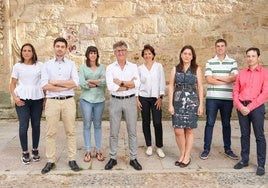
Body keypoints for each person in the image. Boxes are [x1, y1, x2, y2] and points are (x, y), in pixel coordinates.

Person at [40, 37, 80, 174]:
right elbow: (44, 85)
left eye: (62, 46)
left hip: (68, 101)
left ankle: (72, 159)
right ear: (54, 47)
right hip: (52, 101)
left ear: (66, 49)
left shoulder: (71, 64)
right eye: (57, 46)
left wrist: (55, 82)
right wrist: (65, 85)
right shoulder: (47, 65)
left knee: (71, 131)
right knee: (50, 132)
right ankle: (50, 160)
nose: (60, 48)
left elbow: (75, 83)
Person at [105, 40, 142, 170]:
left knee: (132, 131)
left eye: (123, 50)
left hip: (130, 100)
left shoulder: (133, 67)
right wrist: (128, 85)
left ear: (126, 52)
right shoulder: (110, 68)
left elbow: (137, 84)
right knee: (113, 131)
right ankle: (113, 158)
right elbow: (111, 86)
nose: (121, 53)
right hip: (115, 101)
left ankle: (133, 158)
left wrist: (120, 83)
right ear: (115, 53)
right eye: (118, 51)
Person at [200, 39, 239, 160]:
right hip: (212, 98)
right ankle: (206, 149)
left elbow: (234, 78)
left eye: (222, 46)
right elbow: (209, 80)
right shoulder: (210, 62)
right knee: (210, 123)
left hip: (227, 99)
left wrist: (217, 77)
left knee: (226, 124)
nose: (220, 48)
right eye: (218, 46)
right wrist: (226, 79)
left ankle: (228, 149)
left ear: (226, 47)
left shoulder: (232, 62)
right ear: (215, 48)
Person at [233, 47, 268, 176]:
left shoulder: (265, 73)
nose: (250, 58)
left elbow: (265, 93)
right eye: (248, 56)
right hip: (242, 106)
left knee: (259, 135)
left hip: (256, 107)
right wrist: (239, 105)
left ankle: (261, 164)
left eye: (253, 56)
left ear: (258, 57)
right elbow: (236, 91)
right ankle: (244, 160)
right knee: (244, 134)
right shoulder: (241, 73)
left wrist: (250, 107)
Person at [168, 45, 203, 167]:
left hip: (192, 102)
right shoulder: (175, 69)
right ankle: (182, 153)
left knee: (189, 130)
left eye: (189, 54)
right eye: (185, 53)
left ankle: (187, 156)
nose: (187, 56)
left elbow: (200, 87)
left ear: (192, 56)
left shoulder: (196, 69)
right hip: (178, 102)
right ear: (181, 55)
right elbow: (171, 86)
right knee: (178, 130)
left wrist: (201, 105)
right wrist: (170, 104)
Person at [10, 43, 44, 165]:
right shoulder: (17, 66)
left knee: (36, 125)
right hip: (22, 99)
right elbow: (12, 84)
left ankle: (35, 149)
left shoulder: (40, 65)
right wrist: (15, 98)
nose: (26, 52)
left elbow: (44, 82)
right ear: (22, 52)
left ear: (33, 52)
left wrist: (44, 99)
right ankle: (25, 152)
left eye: (29, 50)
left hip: (37, 99)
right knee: (24, 126)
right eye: (24, 50)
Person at [136, 44, 166, 158]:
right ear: (143, 56)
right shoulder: (140, 69)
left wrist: (160, 97)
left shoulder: (158, 66)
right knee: (145, 121)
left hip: (155, 98)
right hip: (143, 98)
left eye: (149, 53)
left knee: (157, 122)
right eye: (145, 54)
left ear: (153, 55)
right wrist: (137, 98)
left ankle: (159, 147)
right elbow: (137, 84)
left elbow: (162, 81)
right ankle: (149, 145)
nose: (147, 55)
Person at [79, 46, 106, 162]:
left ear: (97, 55)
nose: (93, 55)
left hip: (99, 100)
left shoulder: (102, 68)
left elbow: (105, 82)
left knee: (98, 125)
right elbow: (81, 83)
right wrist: (97, 82)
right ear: (87, 55)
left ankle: (98, 150)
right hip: (86, 100)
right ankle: (88, 150)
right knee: (86, 124)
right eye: (91, 53)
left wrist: (90, 81)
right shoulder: (83, 67)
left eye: (94, 53)